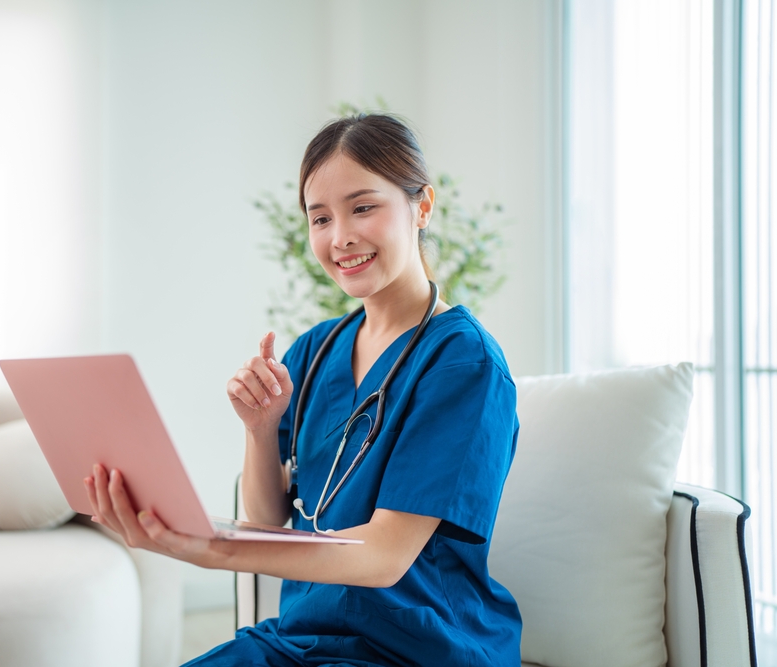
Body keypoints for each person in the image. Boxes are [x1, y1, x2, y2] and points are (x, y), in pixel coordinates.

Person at [84, 113, 522, 666]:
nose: (340, 237)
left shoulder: (463, 361)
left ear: (423, 206)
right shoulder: (314, 352)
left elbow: (386, 555)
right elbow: (267, 521)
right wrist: (261, 429)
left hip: (419, 649)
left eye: (363, 207)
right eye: (320, 218)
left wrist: (214, 549)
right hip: (303, 640)